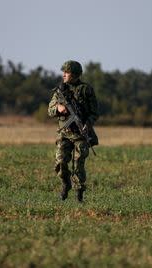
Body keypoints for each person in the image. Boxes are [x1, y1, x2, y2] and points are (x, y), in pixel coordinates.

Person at [48, 60, 99, 202]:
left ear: (75, 74)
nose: (64, 74)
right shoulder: (60, 90)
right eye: (63, 72)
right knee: (60, 163)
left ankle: (79, 194)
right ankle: (65, 183)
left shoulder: (86, 89)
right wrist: (58, 109)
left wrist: (88, 123)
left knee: (78, 165)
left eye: (67, 72)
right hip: (64, 133)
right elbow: (50, 110)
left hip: (80, 134)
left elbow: (95, 112)